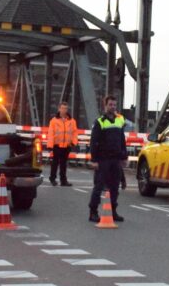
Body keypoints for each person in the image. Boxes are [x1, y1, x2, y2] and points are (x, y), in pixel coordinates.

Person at [88, 95, 128, 223]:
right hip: (103, 159)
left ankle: (113, 211)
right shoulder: (100, 121)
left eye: (114, 105)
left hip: (115, 159)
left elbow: (122, 140)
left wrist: (124, 157)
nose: (113, 107)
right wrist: (94, 160)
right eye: (110, 105)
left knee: (115, 187)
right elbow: (94, 141)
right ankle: (93, 212)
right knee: (99, 186)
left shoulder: (118, 121)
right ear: (105, 106)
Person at [47, 102, 79, 186]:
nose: (64, 110)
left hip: (67, 145)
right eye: (63, 108)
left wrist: (73, 142)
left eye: (66, 108)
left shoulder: (72, 121)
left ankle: (63, 180)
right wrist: (50, 145)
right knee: (55, 163)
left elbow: (75, 132)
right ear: (59, 109)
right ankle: (52, 178)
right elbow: (51, 133)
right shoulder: (54, 121)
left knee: (63, 164)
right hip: (57, 145)